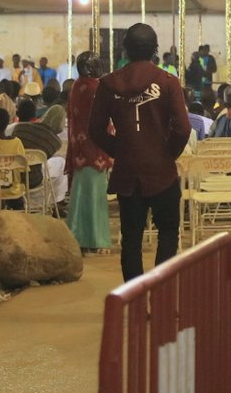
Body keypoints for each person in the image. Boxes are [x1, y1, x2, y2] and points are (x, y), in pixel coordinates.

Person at [90, 24, 191, 282]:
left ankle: (134, 298)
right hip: (162, 172)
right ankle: (161, 294)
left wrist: (121, 150)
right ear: (155, 49)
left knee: (131, 238)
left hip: (127, 174)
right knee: (168, 233)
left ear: (125, 49)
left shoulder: (109, 84)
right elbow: (183, 128)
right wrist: (167, 153)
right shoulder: (168, 82)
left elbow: (95, 129)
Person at [64, 53, 113, 253]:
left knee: (80, 195)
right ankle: (96, 239)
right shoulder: (96, 88)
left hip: (80, 149)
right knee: (96, 197)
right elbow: (104, 119)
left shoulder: (76, 87)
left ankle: (77, 237)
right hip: (96, 150)